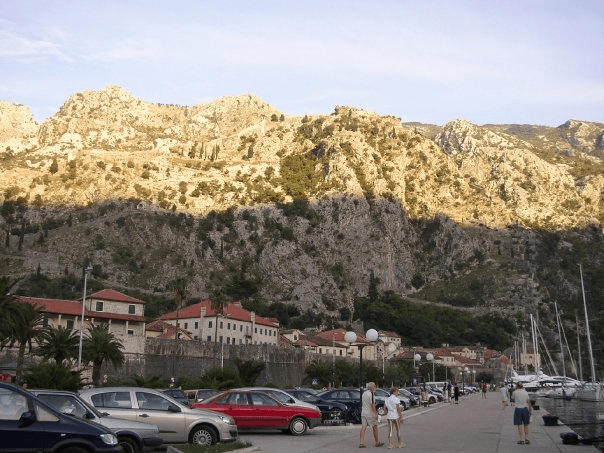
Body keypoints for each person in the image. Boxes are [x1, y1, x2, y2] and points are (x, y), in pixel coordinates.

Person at [359, 382, 383, 448]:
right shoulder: (371, 394)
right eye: (374, 386)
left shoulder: (364, 393)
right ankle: (377, 442)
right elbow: (372, 405)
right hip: (369, 413)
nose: (375, 388)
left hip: (363, 412)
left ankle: (361, 442)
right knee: (375, 427)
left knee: (363, 427)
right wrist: (376, 414)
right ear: (370, 387)